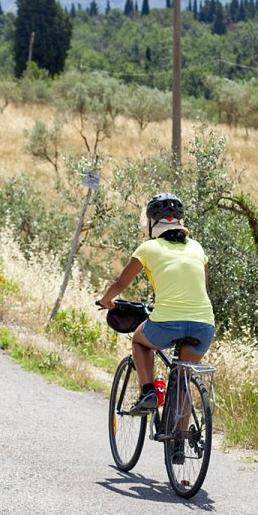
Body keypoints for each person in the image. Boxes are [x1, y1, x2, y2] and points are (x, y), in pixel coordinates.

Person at [97, 193, 215, 459]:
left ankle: (148, 391)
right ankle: (179, 444)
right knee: (183, 379)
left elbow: (120, 282)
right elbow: (203, 289)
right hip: (204, 324)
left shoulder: (148, 248)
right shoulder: (197, 248)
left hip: (167, 320)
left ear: (152, 223)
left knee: (139, 340)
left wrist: (106, 300)